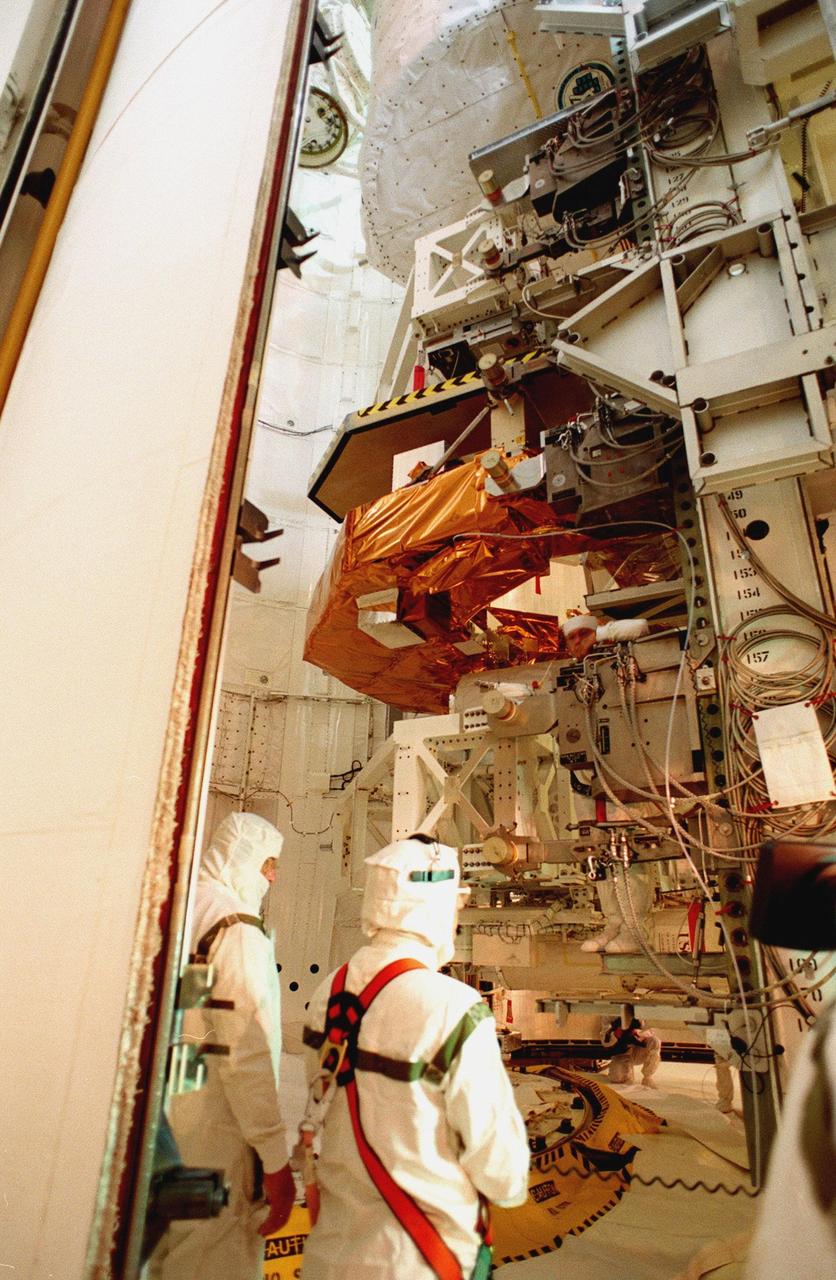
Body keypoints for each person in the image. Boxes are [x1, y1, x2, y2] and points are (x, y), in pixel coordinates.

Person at [300, 835, 530, 1279]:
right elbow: (501, 1170)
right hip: (419, 1260)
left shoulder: (326, 992)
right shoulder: (453, 1008)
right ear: (440, 906)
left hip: (330, 1255)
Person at [151, 811, 295, 1280]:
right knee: (215, 1258)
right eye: (269, 864)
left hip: (164, 1131)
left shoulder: (173, 911)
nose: (271, 877)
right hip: (217, 1138)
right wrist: (274, 1159)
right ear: (245, 858)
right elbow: (245, 1054)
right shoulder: (237, 930)